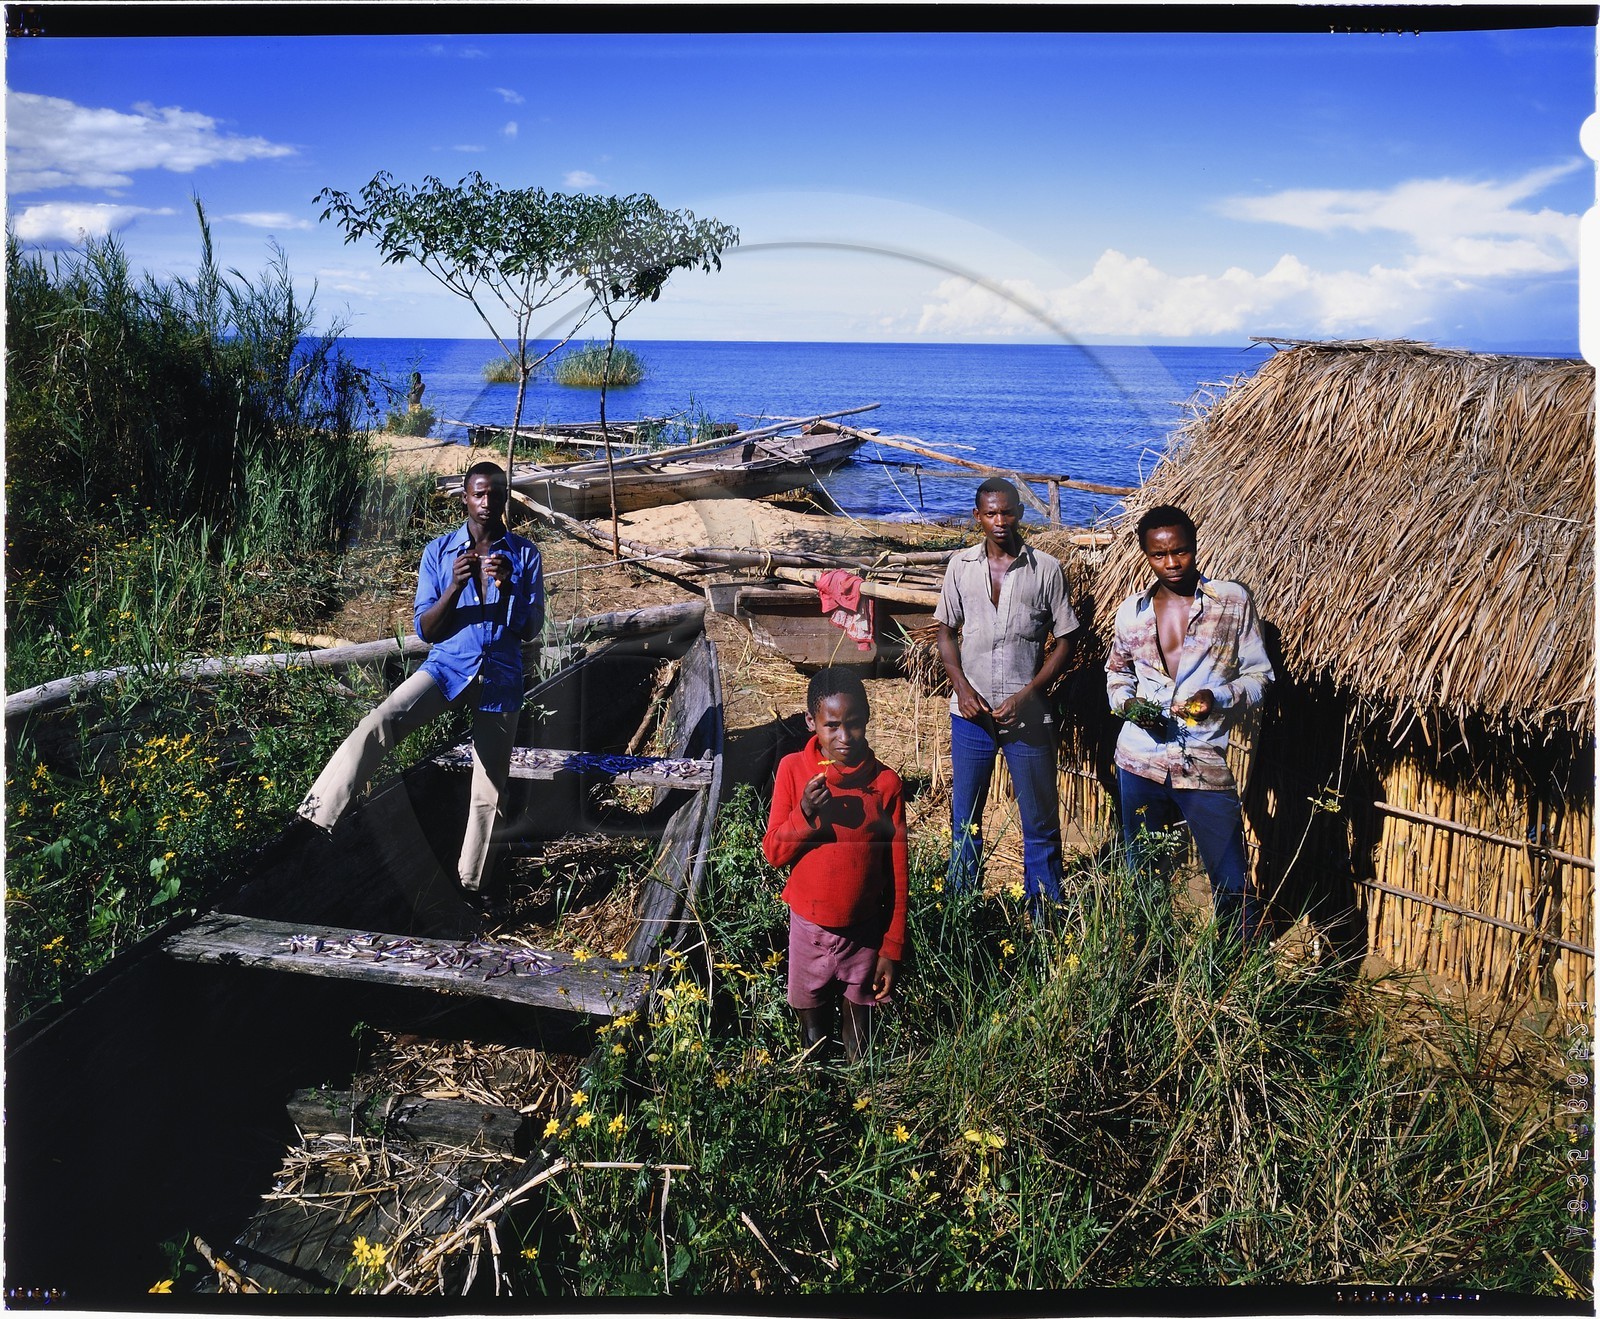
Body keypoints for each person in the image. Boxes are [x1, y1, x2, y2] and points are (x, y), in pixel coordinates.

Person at [297, 462, 543, 900]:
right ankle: (318, 813)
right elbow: (427, 630)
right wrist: (454, 588)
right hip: (447, 667)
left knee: (490, 784)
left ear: (505, 497)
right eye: (479, 494)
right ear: (465, 498)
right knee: (381, 720)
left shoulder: (525, 556)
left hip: (501, 677)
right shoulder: (439, 552)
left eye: (496, 494)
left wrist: (508, 590)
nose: (487, 502)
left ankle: (472, 884)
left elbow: (530, 630)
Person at [1106, 503, 1274, 944]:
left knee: (1231, 878)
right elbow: (1117, 674)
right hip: (1138, 762)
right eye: (1159, 555)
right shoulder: (1131, 613)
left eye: (1180, 552)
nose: (1172, 563)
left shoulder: (1231, 603)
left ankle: (1239, 975)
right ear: (1146, 555)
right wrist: (1127, 705)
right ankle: (1147, 963)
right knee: (1144, 874)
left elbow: (1260, 676)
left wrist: (1216, 698)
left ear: (1195, 548)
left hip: (1202, 764)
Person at [934, 477, 1079, 909]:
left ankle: (1046, 913)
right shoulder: (960, 566)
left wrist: (1031, 693)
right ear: (977, 516)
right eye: (991, 513)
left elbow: (1067, 638)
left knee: (1038, 821)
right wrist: (960, 686)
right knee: (966, 821)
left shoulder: (1046, 569)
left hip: (1027, 718)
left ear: (1020, 513)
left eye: (1008, 512)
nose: (1000, 521)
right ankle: (963, 915)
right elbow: (945, 629)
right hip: (971, 716)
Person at [762, 667, 909, 1062]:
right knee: (812, 1032)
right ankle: (814, 1097)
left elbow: (897, 873)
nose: (844, 738)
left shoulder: (885, 785)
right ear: (811, 722)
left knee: (860, 1036)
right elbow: (774, 853)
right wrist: (806, 813)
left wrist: (890, 948)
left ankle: (863, 1103)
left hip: (863, 932)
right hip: (808, 929)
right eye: (832, 726)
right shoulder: (794, 771)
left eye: (855, 724)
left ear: (867, 719)